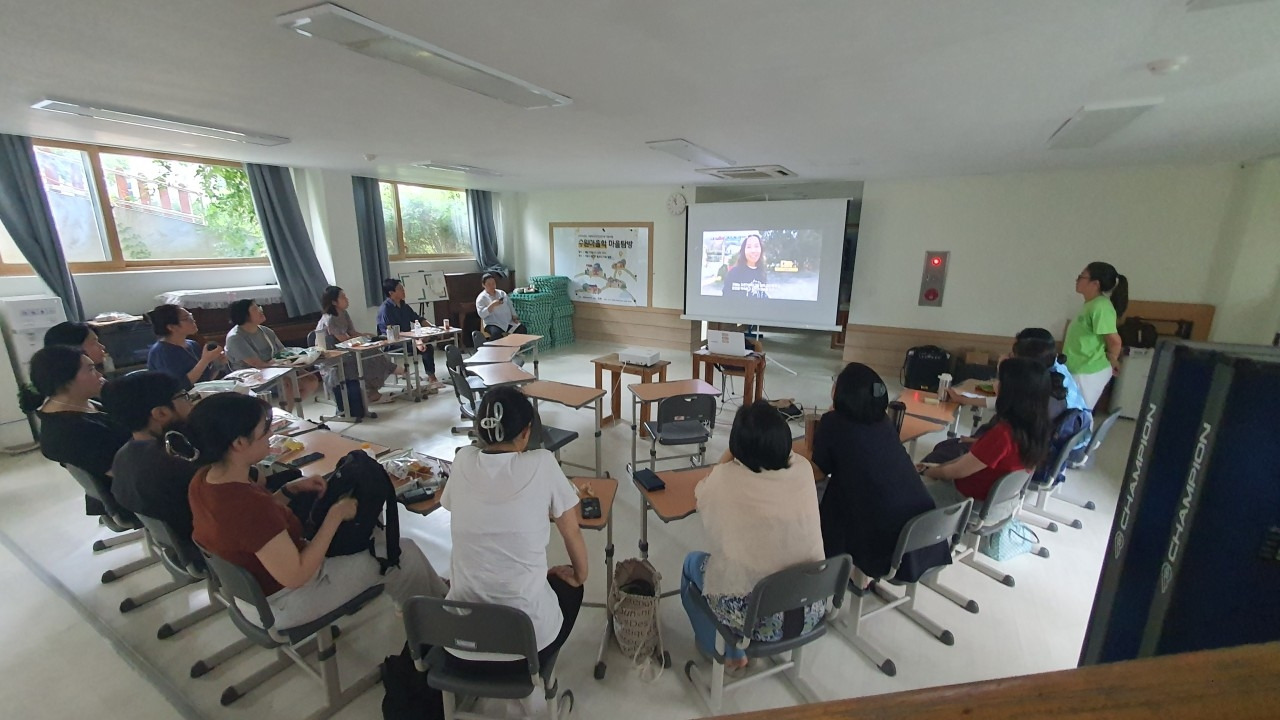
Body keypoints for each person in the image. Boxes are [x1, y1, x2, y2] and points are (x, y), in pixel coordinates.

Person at [184, 393, 447, 628]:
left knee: (380, 539)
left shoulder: (205, 479)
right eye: (265, 429)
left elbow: (252, 531)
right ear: (239, 443)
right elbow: (296, 575)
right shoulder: (246, 506)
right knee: (404, 553)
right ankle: (440, 619)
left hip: (250, 591)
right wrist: (334, 517)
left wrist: (288, 491)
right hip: (284, 601)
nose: (270, 433)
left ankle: (417, 596)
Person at [440, 386, 588, 674]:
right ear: (526, 432)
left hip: (461, 646)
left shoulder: (462, 460)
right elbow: (572, 531)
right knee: (571, 585)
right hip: (527, 647)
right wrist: (580, 574)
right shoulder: (543, 463)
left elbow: (453, 506)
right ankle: (538, 681)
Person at [681, 401, 825, 671]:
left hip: (756, 621)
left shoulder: (726, 480)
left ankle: (726, 652)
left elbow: (701, 492)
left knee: (692, 565)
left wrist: (729, 454)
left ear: (738, 446)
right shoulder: (803, 468)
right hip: (811, 605)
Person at [813, 364, 950, 584]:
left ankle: (834, 571)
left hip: (886, 548)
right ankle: (854, 574)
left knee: (826, 494)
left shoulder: (833, 424)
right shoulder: (884, 422)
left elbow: (820, 469)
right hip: (924, 536)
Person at [920, 357, 1052, 508]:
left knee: (904, 487)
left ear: (1011, 392)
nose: (995, 384)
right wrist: (932, 466)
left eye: (999, 381)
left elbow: (955, 472)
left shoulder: (1002, 434)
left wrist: (927, 471)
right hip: (1000, 503)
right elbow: (971, 462)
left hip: (966, 501)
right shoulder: (1037, 427)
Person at [19, 345, 129, 516]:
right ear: (66, 381)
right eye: (91, 370)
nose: (100, 375)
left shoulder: (80, 405)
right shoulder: (70, 431)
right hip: (132, 498)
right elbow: (126, 474)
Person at [101, 371, 198, 540]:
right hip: (205, 544)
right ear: (161, 413)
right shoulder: (177, 466)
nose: (190, 402)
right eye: (184, 396)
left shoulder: (124, 456)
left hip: (183, 544)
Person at [224, 299, 320, 411]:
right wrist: (282, 365)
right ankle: (285, 416)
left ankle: (286, 412)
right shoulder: (235, 338)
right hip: (251, 377)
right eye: (255, 309)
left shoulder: (266, 331)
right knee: (287, 383)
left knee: (310, 380)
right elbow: (257, 364)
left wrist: (300, 364)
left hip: (275, 369)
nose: (260, 310)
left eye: (259, 307)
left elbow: (283, 353)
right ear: (244, 315)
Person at [315, 286, 395, 405]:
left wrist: (368, 336)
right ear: (333, 302)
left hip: (345, 349)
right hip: (332, 355)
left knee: (373, 352)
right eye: (343, 297)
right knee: (365, 357)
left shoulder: (344, 313)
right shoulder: (329, 319)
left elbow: (352, 333)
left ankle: (372, 390)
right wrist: (362, 340)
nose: (347, 299)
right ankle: (373, 390)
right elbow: (343, 340)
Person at [1064, 261, 1128, 409]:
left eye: (1082, 276)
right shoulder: (1090, 305)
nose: (1077, 279)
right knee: (1072, 415)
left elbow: (1114, 341)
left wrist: (1112, 359)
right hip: (1078, 368)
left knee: (1078, 415)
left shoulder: (1101, 307)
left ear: (1095, 284)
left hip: (1088, 371)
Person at [375, 278, 443, 390]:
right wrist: (416, 340)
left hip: (409, 340)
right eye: (400, 289)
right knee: (426, 348)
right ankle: (432, 378)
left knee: (428, 341)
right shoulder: (385, 309)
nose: (403, 290)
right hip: (394, 342)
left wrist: (432, 328)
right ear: (391, 293)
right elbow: (392, 332)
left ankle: (430, 374)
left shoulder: (403, 306)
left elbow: (418, 318)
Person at [146, 303, 224, 390]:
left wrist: (217, 364)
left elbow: (204, 380)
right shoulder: (161, 352)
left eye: (191, 316)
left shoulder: (192, 344)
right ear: (171, 327)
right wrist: (205, 360)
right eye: (187, 318)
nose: (193, 320)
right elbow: (180, 387)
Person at [475, 272, 526, 339]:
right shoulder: (481, 298)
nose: (492, 286)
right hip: (493, 323)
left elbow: (510, 304)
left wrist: (514, 316)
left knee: (522, 329)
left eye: (493, 283)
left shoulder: (501, 293)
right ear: (483, 285)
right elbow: (481, 314)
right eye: (489, 284)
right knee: (496, 334)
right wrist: (492, 305)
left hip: (508, 321)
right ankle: (496, 348)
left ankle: (517, 348)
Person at [721, 234, 769, 299]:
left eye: (756, 246)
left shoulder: (762, 272)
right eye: (749, 247)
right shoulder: (733, 274)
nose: (753, 250)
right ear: (743, 251)